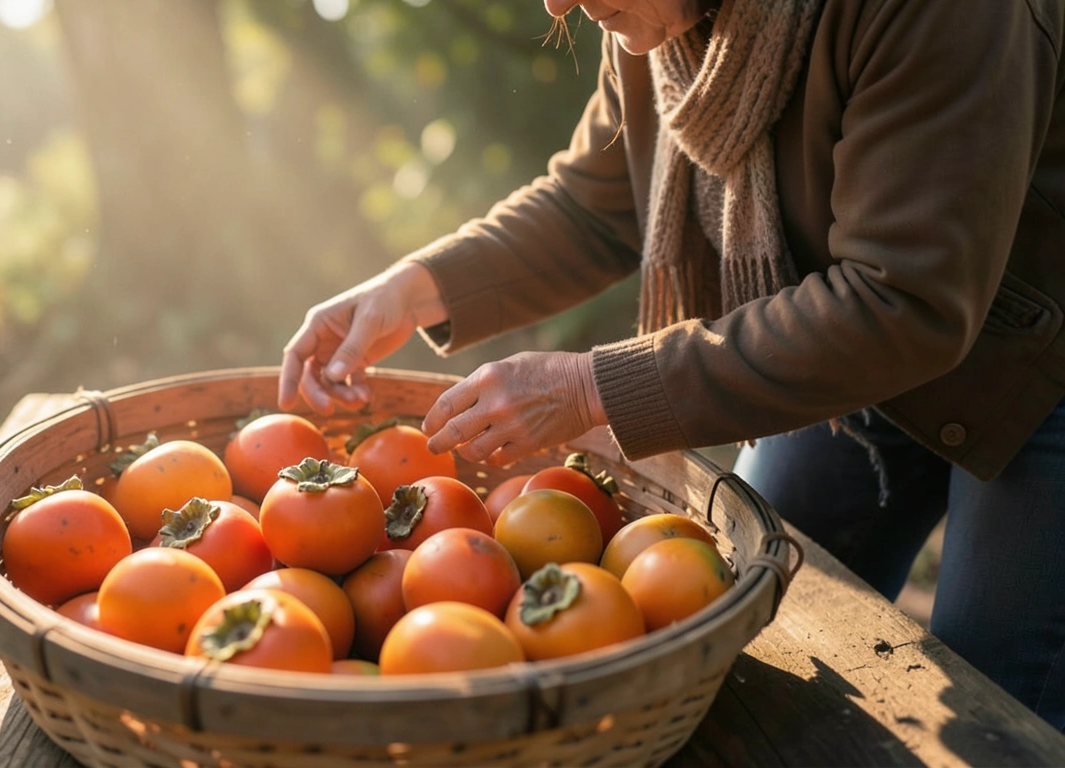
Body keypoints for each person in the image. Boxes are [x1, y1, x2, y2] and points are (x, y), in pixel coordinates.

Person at [277, 0, 1065, 729]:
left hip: (1038, 363)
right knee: (744, 620)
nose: (558, 4)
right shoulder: (662, 20)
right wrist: (413, 288)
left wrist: (593, 387)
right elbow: (600, 199)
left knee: (992, 704)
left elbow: (903, 303)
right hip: (835, 334)